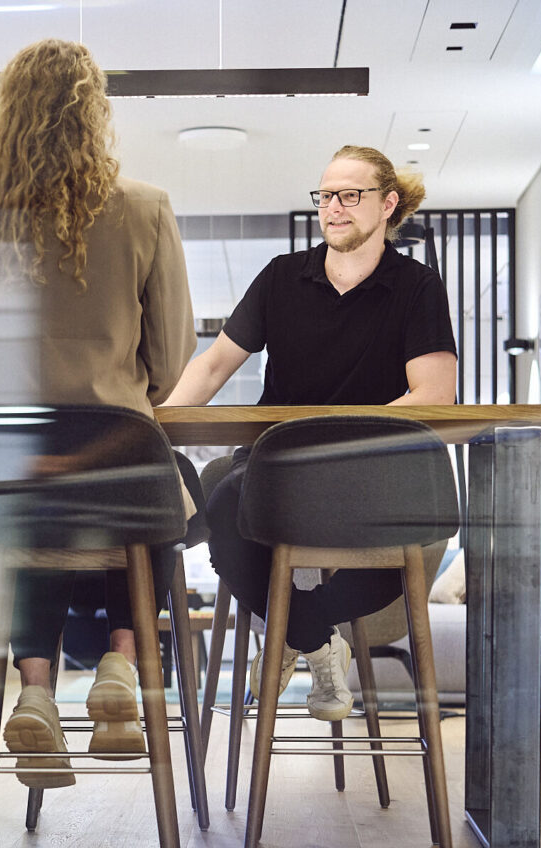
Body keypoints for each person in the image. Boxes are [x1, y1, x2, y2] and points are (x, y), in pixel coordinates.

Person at [0, 39, 196, 787]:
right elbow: (172, 366)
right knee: (159, 509)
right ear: (95, 113)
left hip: (2, 467)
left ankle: (37, 691)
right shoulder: (145, 209)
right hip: (116, 458)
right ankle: (119, 660)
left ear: (8, 110)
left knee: (30, 528)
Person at [164, 144, 457, 721]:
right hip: (277, 469)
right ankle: (318, 643)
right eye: (326, 195)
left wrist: (346, 440)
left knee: (408, 540)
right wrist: (161, 425)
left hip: (370, 472)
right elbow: (213, 365)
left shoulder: (417, 287)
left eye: (351, 194)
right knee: (221, 501)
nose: (335, 207)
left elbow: (434, 394)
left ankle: (289, 634)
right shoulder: (280, 278)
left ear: (387, 204)